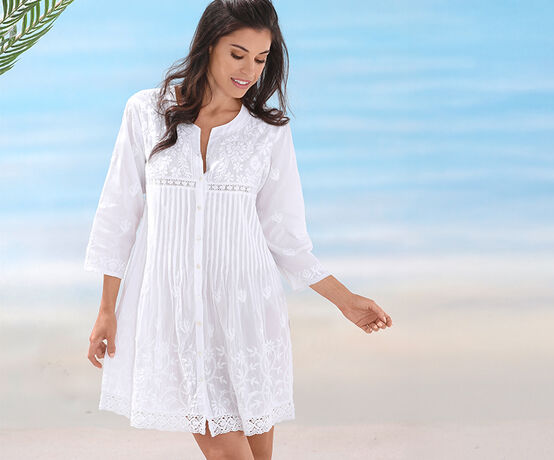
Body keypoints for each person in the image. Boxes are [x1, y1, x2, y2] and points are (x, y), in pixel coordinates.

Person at [82, 1, 392, 458]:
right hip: (176, 315)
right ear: (208, 46)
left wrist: (346, 301)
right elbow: (117, 214)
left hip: (248, 317)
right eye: (238, 53)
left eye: (262, 59)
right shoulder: (147, 112)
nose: (249, 70)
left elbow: (286, 238)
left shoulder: (267, 133)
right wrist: (107, 308)